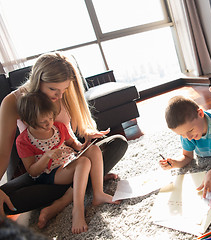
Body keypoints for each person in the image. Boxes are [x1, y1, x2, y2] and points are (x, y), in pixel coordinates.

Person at [0, 51, 128, 229]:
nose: (59, 96)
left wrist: (87, 137)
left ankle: (70, 194)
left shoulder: (62, 93)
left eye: (64, 90)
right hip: (43, 170)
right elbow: (3, 154)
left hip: (70, 161)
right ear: (38, 80)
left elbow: (68, 135)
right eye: (53, 89)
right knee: (5, 199)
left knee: (118, 143)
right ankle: (82, 185)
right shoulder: (13, 101)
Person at [16, 92, 119, 234]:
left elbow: (74, 144)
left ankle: (98, 193)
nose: (49, 124)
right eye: (43, 122)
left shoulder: (58, 127)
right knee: (83, 162)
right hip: (49, 172)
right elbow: (32, 171)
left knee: (94, 150)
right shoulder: (23, 141)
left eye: (51, 118)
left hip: (70, 162)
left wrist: (85, 143)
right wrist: (46, 156)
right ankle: (78, 210)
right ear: (28, 122)